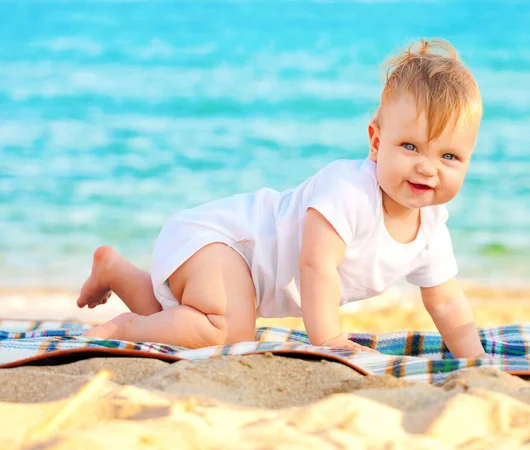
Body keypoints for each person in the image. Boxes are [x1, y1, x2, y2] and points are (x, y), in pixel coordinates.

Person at [77, 38, 486, 358]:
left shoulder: (431, 227)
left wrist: (476, 360)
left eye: (448, 155)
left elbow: (447, 302)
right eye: (410, 147)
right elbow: (316, 266)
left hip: (229, 266)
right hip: (219, 241)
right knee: (229, 329)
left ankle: (115, 270)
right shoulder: (347, 190)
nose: (427, 167)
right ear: (376, 143)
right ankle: (124, 329)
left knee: (190, 316)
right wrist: (328, 339)